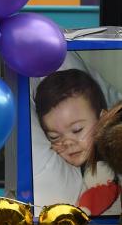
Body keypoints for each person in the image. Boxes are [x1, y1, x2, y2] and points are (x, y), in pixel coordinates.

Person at [35, 69, 120, 216]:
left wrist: (82, 212)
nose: (67, 142)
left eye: (77, 130)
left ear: (103, 121)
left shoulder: (102, 158)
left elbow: (106, 189)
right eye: (54, 137)